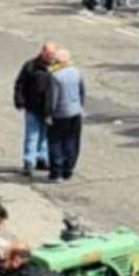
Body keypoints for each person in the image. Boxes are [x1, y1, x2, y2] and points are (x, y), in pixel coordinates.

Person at [15, 43, 56, 176]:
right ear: (43, 52)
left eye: (53, 54)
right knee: (32, 136)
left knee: (45, 136)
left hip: (48, 109)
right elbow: (20, 83)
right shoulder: (31, 66)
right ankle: (29, 162)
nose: (51, 57)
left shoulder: (55, 67)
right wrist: (19, 100)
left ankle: (42, 159)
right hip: (33, 107)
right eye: (49, 54)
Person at [47, 49, 85, 182]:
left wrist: (48, 114)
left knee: (56, 142)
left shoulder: (55, 76)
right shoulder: (76, 72)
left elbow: (53, 98)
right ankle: (68, 169)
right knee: (72, 141)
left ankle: (57, 172)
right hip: (75, 112)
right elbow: (82, 91)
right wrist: (80, 106)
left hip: (60, 113)